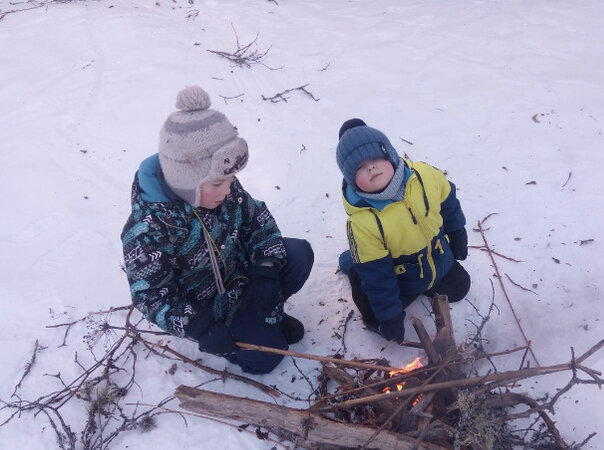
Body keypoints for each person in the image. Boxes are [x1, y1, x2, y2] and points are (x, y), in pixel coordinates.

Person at [121, 86, 313, 374]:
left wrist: (266, 267)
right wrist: (199, 326)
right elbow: (151, 294)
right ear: (188, 183)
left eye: (230, 180)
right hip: (209, 312)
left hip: (240, 279)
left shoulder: (222, 186)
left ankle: (265, 314)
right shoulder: (149, 230)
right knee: (267, 359)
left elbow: (256, 219)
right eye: (217, 185)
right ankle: (240, 337)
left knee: (298, 254)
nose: (228, 189)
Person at [336, 119, 470, 343]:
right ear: (352, 180)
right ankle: (354, 265)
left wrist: (457, 234)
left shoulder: (425, 176)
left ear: (389, 154)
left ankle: (424, 281)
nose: (370, 167)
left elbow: (449, 202)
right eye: (359, 167)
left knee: (460, 287)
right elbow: (378, 277)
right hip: (397, 276)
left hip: (436, 260)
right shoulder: (362, 223)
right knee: (374, 315)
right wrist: (390, 318)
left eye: (375, 158)